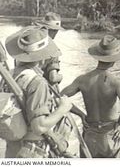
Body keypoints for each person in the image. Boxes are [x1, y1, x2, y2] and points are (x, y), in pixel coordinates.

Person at [4, 26, 73, 158]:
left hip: (13, 148)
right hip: (33, 152)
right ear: (43, 57)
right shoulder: (37, 82)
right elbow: (39, 126)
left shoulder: (9, 76)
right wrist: (63, 108)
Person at [61, 35, 120, 158]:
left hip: (90, 135)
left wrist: (81, 114)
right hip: (111, 134)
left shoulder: (82, 79)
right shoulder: (116, 82)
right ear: (113, 60)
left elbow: (60, 97)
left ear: (98, 57)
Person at [34, 12, 64, 92]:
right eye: (55, 30)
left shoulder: (31, 43)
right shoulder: (53, 49)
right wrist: (61, 76)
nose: (56, 33)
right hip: (44, 90)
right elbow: (53, 78)